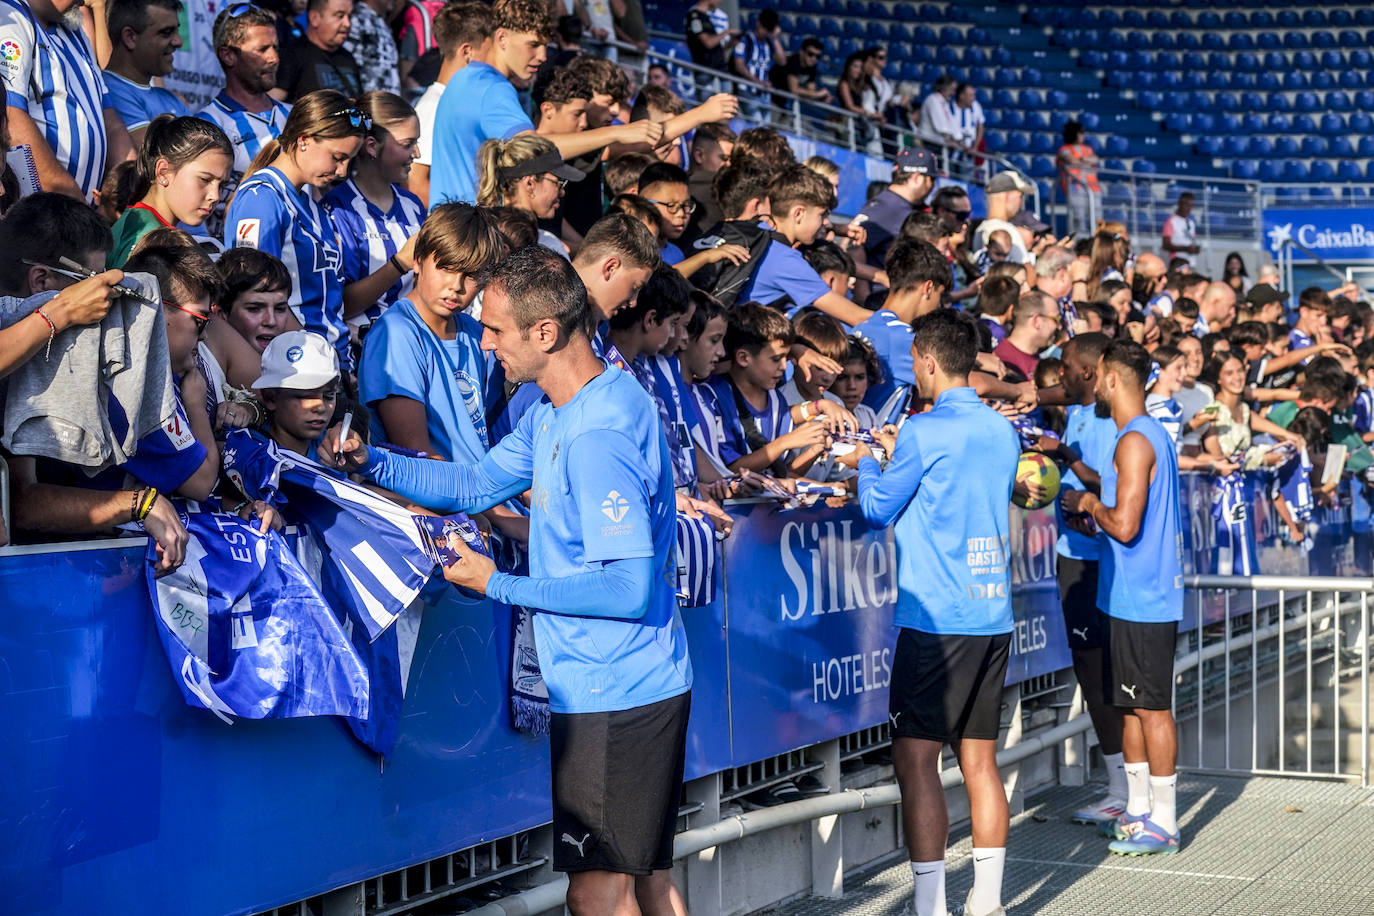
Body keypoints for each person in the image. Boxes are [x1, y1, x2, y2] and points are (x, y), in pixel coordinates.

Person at [323, 245, 693, 916]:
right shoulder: (560, 408)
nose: (483, 340)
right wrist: (368, 459)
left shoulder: (597, 433)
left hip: (619, 689)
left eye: (494, 329)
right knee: (641, 880)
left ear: (545, 333)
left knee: (596, 893)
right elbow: (473, 483)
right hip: (619, 685)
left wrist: (497, 584)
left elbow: (624, 590)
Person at [844, 308, 1018, 916]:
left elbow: (875, 509)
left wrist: (867, 459)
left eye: (913, 360)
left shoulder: (921, 429)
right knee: (980, 760)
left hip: (936, 618)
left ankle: (929, 906)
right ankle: (987, 902)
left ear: (926, 359)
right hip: (991, 612)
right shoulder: (1002, 430)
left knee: (916, 758)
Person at [1062, 340, 1185, 857]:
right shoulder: (1142, 434)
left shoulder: (1134, 440)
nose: (1094, 389)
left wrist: (1089, 501)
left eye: (1098, 380)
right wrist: (1095, 513)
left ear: (1111, 379)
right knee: (1130, 707)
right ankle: (1138, 811)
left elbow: (1127, 525)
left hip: (1145, 598)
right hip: (1127, 595)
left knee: (1151, 709)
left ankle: (1166, 821)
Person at [428, 0, 662, 205]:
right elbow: (536, 152)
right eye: (533, 45)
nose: (542, 56)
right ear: (501, 38)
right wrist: (614, 134)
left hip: (453, 229)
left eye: (545, 46)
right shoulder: (493, 88)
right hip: (468, 236)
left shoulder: (465, 77)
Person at [224, 90, 368, 372]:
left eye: (350, 160)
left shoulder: (308, 201)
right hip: (298, 372)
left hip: (330, 369)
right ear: (303, 140)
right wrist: (317, 363)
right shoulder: (262, 200)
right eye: (337, 157)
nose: (342, 171)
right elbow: (253, 299)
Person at [359, 201, 505, 466]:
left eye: (470, 275)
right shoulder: (395, 335)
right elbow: (420, 459)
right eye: (446, 268)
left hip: (487, 490)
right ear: (418, 261)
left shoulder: (475, 333)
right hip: (446, 500)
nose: (456, 285)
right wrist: (491, 508)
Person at [0, 0, 135, 201]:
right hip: (38, 217)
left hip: (79, 219)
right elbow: (12, 121)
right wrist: (74, 204)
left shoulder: (76, 30)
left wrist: (130, 192)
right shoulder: (8, 15)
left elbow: (109, 119)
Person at [324, 91, 427, 330]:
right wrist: (399, 263)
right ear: (371, 146)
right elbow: (340, 304)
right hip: (363, 351)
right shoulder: (338, 210)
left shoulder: (412, 204)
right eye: (407, 144)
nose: (417, 154)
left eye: (417, 143)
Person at [196, 3, 291, 236]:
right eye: (262, 49)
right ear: (228, 55)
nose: (274, 58)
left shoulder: (295, 115)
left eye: (275, 47)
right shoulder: (208, 125)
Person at [108, 115, 233, 266]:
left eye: (221, 185)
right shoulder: (148, 241)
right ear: (163, 172)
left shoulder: (141, 224)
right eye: (205, 179)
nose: (215, 196)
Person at [408, 0, 492, 207]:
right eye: (491, 52)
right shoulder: (433, 106)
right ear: (467, 52)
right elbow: (416, 184)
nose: (496, 61)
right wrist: (468, 225)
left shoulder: (464, 102)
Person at [854, 238, 950, 409]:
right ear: (928, 288)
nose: (938, 305)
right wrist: (1014, 389)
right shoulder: (903, 338)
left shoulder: (864, 327)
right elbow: (960, 382)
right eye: (940, 296)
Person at [475, 133, 583, 256]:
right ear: (530, 183)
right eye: (558, 182)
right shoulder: (548, 246)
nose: (562, 192)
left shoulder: (481, 232)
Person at [102, 0, 188, 144]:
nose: (178, 42)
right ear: (130, 37)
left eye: (177, 31)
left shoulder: (170, 99)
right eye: (166, 32)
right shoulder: (108, 90)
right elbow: (154, 160)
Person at [852, 147, 937, 274]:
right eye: (932, 179)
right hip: (880, 291)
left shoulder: (898, 204)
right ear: (917, 178)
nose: (933, 186)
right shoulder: (885, 206)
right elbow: (854, 246)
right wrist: (863, 290)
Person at [275, 0, 363, 100]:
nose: (347, 24)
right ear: (314, 18)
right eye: (340, 16)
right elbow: (271, 105)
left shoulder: (348, 58)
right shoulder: (292, 55)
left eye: (349, 16)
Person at [214, 246, 296, 354]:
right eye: (254, 309)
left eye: (280, 309)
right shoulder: (196, 367)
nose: (271, 321)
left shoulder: (302, 364)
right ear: (220, 314)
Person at [994, 291, 1060, 381]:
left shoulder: (1036, 359)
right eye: (1056, 319)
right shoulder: (1001, 362)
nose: (1059, 327)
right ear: (1037, 321)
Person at [730, 9, 783, 121]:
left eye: (769, 29)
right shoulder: (745, 39)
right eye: (764, 27)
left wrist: (775, 38)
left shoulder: (769, 42)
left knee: (766, 125)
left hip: (764, 94)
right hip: (747, 90)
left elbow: (782, 61)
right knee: (756, 122)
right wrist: (757, 82)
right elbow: (739, 66)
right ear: (758, 23)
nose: (765, 32)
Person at [341, 0, 399, 94]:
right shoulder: (356, 19)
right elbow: (347, 68)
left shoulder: (381, 21)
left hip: (387, 103)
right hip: (368, 104)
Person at [1056, 120, 1101, 239]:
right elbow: (1072, 161)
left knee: (1096, 217)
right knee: (1078, 218)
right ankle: (1079, 242)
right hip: (1075, 188)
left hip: (1093, 187)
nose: (1083, 135)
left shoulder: (1088, 149)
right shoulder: (1065, 149)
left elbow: (1096, 159)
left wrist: (1081, 160)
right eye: (1080, 133)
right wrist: (1085, 160)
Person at [770, 37, 830, 106]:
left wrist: (821, 97)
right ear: (801, 52)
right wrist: (818, 94)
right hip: (771, 98)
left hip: (785, 102)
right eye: (810, 54)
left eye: (818, 56)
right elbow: (794, 89)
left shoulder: (812, 67)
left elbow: (811, 91)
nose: (814, 59)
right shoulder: (793, 62)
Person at [684, 0, 733, 71]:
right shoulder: (694, 17)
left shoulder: (707, 17)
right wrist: (727, 32)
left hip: (719, 68)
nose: (720, 1)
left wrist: (732, 42)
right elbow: (708, 43)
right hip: (706, 69)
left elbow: (721, 47)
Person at [916, 74, 958, 150]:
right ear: (944, 88)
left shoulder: (944, 102)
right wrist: (951, 141)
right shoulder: (933, 100)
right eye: (952, 89)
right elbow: (941, 127)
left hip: (936, 144)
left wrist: (959, 140)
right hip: (928, 143)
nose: (953, 93)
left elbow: (951, 124)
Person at [1161, 192, 1199, 266]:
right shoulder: (1171, 221)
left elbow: (1191, 241)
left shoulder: (1191, 223)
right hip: (1177, 262)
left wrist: (1195, 249)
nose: (1188, 209)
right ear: (1179, 204)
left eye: (1191, 206)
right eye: (1186, 205)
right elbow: (1165, 245)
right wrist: (1185, 249)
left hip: (1191, 262)